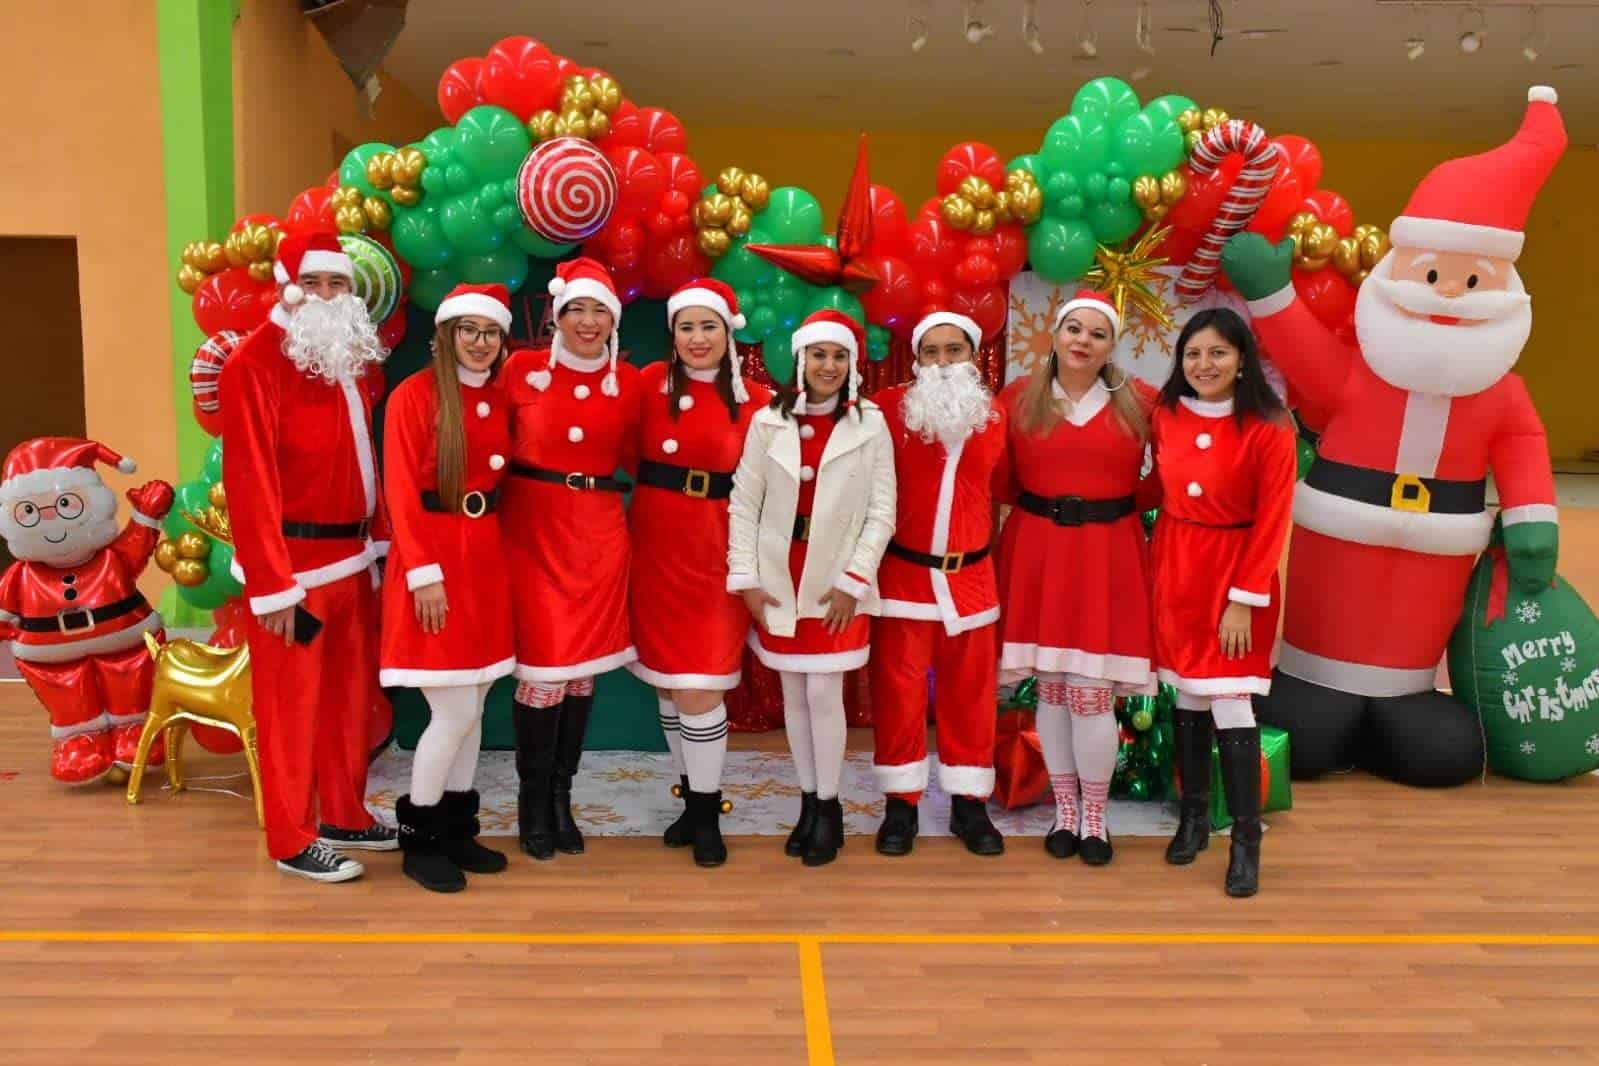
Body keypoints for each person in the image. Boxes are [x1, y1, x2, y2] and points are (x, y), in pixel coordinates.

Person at [1220, 86, 1564, 787]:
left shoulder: (1499, 388)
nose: (1446, 294)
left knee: (1431, 726)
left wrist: (1533, 517)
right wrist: (1270, 295)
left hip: (1437, 551)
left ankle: (1404, 698)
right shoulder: (1363, 367)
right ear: (1397, 270)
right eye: (1432, 274)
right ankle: (1314, 688)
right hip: (1336, 538)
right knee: (1310, 721)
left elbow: (1523, 443)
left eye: (1471, 279)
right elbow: (1308, 367)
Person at [221, 229, 396, 883]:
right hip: (292, 575)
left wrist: (376, 544)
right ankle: (290, 838)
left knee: (350, 700)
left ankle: (346, 812)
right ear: (287, 284)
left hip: (351, 561)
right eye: (314, 283)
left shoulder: (347, 360)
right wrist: (273, 584)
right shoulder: (255, 365)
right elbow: (250, 483)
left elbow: (361, 463)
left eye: (338, 284)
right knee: (291, 708)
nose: (325, 296)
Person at [993, 290, 1157, 867]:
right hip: (1038, 553)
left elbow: (1171, 472)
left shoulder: (1139, 400)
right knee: (1057, 693)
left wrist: (1120, 509)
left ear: (1113, 344)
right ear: (1055, 336)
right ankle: (1065, 813)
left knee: (1092, 697)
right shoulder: (1019, 398)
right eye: (1073, 330)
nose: (1083, 342)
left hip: (1106, 556)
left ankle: (1095, 818)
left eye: (1097, 333)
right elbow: (999, 479)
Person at [728, 309, 896, 867]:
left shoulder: (870, 423)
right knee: (796, 694)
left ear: (853, 364)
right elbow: (744, 504)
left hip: (833, 581)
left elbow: (882, 512)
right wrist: (746, 577)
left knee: (825, 694)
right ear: (799, 360)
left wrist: (855, 580)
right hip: (782, 576)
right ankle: (808, 802)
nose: (828, 365)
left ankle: (830, 807)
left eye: (839, 355)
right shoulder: (766, 423)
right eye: (819, 354)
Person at [1150, 308, 1296, 898]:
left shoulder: (1268, 426)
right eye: (1193, 354)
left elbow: (1273, 520)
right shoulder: (1165, 416)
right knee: (1187, 695)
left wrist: (1244, 599)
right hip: (1178, 566)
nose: (1203, 365)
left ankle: (1245, 840)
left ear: (1242, 361)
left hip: (1237, 576)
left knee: (1232, 705)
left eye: (1217, 353)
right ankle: (1191, 819)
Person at [628, 278, 771, 867]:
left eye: (707, 325)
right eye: (685, 326)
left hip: (719, 553)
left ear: (728, 332)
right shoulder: (644, 388)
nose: (696, 338)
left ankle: (708, 814)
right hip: (656, 548)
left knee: (699, 684)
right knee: (668, 680)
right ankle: (690, 803)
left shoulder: (760, 402)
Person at [501, 257, 641, 861]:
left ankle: (562, 797)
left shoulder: (631, 382)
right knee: (543, 671)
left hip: (599, 534)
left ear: (614, 319)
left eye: (599, 311)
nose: (588, 322)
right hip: (533, 533)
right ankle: (532, 802)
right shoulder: (519, 370)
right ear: (557, 314)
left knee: (581, 669)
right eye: (576, 309)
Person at [380, 283, 517, 893]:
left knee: (477, 701)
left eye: (489, 332)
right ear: (446, 335)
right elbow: (400, 492)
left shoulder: (499, 395)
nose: (480, 342)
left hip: (484, 557)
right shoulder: (414, 395)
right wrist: (422, 573)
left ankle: (458, 829)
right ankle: (422, 839)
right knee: (454, 707)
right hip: (433, 558)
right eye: (468, 331)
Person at [869, 311, 1007, 857]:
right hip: (903, 578)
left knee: (970, 697)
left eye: (955, 350)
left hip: (972, 581)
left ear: (974, 357)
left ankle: (968, 805)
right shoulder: (885, 412)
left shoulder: (996, 418)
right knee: (898, 696)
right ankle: (900, 805)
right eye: (932, 351)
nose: (944, 362)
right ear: (916, 359)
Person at [0, 439, 172, 784]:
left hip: (123, 639)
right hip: (50, 654)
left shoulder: (111, 558)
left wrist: (147, 515)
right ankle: (79, 742)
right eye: (31, 512)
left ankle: (132, 733)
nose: (50, 520)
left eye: (65, 504)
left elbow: (136, 548)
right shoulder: (21, 575)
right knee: (66, 690)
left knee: (130, 676)